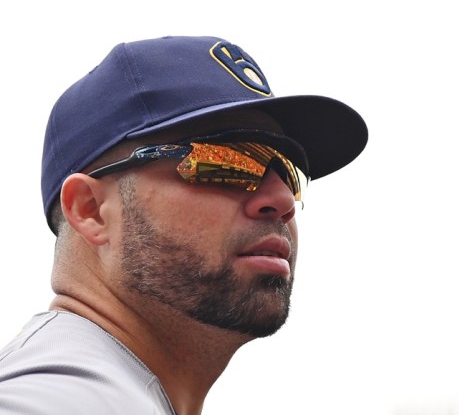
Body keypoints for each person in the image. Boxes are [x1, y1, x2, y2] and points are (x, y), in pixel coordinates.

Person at [0, 35, 367, 414]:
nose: (282, 200)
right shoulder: (59, 397)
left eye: (288, 174)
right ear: (91, 210)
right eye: (224, 162)